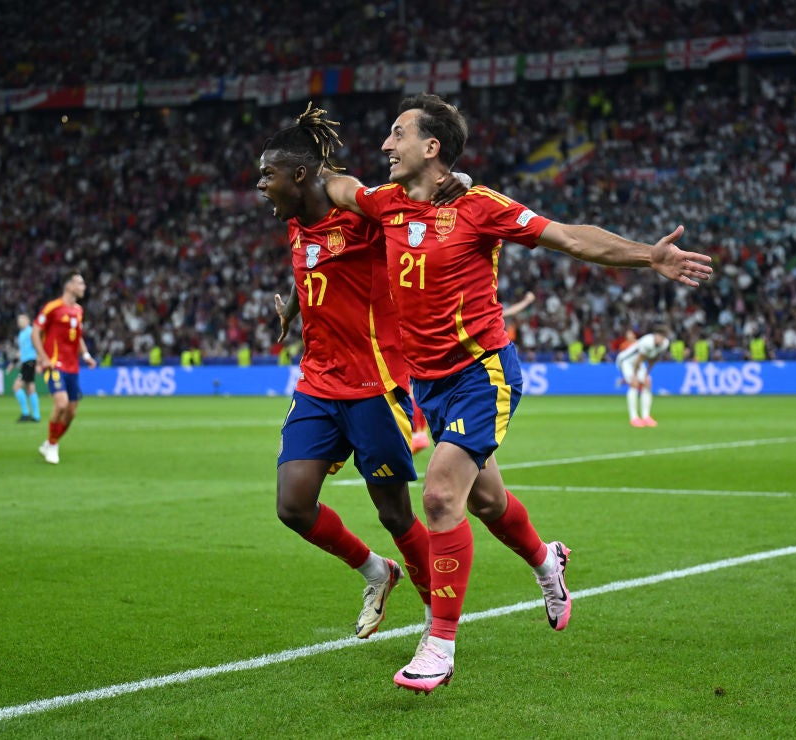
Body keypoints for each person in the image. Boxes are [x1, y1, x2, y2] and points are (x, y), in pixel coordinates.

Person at [324, 93, 713, 694]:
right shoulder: (389, 204)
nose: (385, 145)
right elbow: (343, 189)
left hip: (483, 374)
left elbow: (571, 238)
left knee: (439, 494)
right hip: (429, 383)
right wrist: (307, 163)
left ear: (431, 147)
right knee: (486, 503)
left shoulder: (482, 208)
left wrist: (647, 256)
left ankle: (440, 645)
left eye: (397, 134)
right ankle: (545, 561)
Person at [258, 103, 467, 640]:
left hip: (374, 385)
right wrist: (292, 308)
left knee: (395, 514)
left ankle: (436, 621)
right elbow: (318, 273)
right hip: (318, 382)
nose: (261, 186)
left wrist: (456, 180)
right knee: (293, 504)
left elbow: (406, 200)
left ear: (300, 175)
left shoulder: (348, 203)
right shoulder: (296, 220)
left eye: (268, 175)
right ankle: (377, 571)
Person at [31, 270, 96, 464]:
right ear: (69, 286)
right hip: (54, 364)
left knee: (71, 412)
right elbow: (35, 333)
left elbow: (78, 336)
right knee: (61, 404)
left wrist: (85, 355)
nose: (83, 287)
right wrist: (43, 358)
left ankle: (50, 442)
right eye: (80, 283)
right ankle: (52, 446)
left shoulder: (78, 310)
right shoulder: (52, 307)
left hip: (72, 367)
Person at [615, 326, 671, 427]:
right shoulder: (647, 342)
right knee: (634, 384)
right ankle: (634, 418)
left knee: (647, 382)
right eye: (658, 337)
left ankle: (646, 417)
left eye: (662, 337)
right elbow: (639, 359)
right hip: (626, 361)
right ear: (655, 336)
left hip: (638, 363)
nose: (660, 339)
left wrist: (646, 374)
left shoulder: (665, 344)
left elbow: (654, 358)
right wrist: (635, 376)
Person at [9, 313, 41, 422]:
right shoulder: (21, 334)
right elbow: (21, 351)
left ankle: (25, 413)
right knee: (30, 388)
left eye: (22, 320)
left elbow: (38, 346)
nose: (20, 322)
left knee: (16, 387)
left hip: (30, 361)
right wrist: (12, 363)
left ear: (27, 321)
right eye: (19, 320)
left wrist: (38, 363)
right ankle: (36, 416)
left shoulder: (30, 332)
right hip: (26, 362)